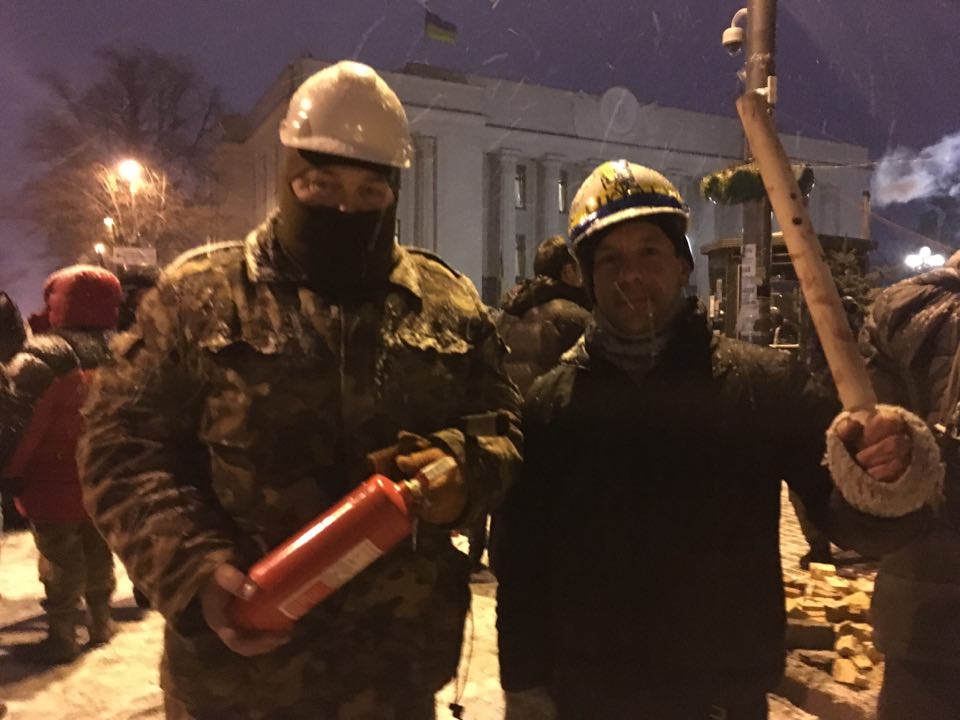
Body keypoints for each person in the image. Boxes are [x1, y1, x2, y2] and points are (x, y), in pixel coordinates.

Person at [78, 60, 521, 720]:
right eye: (322, 185)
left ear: (394, 191)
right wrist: (194, 568)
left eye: (369, 192)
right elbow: (120, 448)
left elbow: (503, 426)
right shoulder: (200, 296)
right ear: (290, 181)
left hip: (393, 679)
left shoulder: (447, 304)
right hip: (238, 685)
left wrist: (464, 467)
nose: (346, 208)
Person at [494, 160, 940, 720]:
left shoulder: (760, 386)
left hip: (719, 700)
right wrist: (524, 685)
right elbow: (521, 562)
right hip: (589, 696)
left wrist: (884, 473)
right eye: (610, 259)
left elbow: (848, 514)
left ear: (682, 264)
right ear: (586, 276)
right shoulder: (550, 407)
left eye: (649, 252)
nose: (632, 275)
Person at [2, 266, 121, 664]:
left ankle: (62, 634)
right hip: (101, 476)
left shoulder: (43, 355)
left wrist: (11, 472)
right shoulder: (122, 349)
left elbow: (22, 424)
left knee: (60, 558)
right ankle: (101, 621)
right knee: (98, 549)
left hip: (50, 479)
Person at [860, 253, 960, 719]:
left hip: (923, 610)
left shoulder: (903, 309)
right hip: (930, 612)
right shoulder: (913, 312)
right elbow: (865, 468)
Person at [460, 236, 591, 579]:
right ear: (567, 271)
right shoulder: (574, 317)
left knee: (509, 515)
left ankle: (493, 561)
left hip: (507, 430)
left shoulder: (506, 315)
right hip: (552, 437)